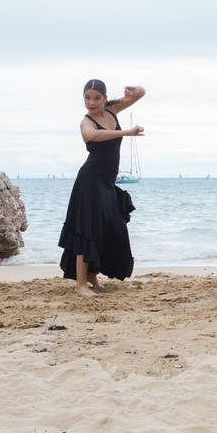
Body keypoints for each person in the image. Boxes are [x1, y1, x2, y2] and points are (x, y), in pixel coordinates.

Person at [58, 80, 145, 295]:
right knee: (86, 229)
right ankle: (80, 284)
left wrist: (136, 90)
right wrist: (125, 132)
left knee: (108, 226)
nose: (91, 102)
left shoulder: (112, 110)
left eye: (96, 98)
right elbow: (92, 136)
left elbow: (139, 95)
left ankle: (92, 276)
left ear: (105, 98)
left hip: (106, 182)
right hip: (90, 180)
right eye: (87, 98)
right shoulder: (86, 121)